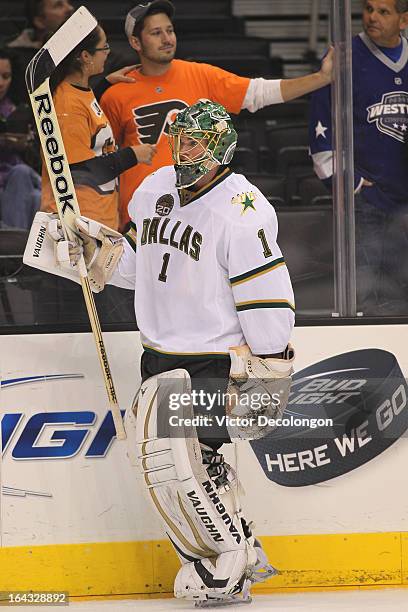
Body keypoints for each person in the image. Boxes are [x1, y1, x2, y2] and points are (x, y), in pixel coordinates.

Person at [25, 100, 295, 604]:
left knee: (181, 464)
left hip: (213, 360)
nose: (184, 149)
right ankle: (243, 549)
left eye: (196, 141)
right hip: (157, 353)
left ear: (219, 149)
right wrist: (96, 252)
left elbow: (266, 292)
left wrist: (272, 361)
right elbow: (139, 266)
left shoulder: (245, 209)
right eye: (182, 138)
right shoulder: (153, 189)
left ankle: (231, 559)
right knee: (185, 465)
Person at [100, 0, 334, 229]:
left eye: (170, 30)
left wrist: (320, 78)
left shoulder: (200, 75)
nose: (167, 39)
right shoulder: (116, 94)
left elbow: (258, 93)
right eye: (156, 33)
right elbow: (105, 160)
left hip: (197, 213)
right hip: (142, 217)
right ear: (135, 42)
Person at [309, 0, 408, 315]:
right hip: (367, 200)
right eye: (368, 9)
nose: (372, 17)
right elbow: (320, 130)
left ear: (403, 20)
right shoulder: (343, 57)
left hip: (405, 204)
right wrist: (351, 186)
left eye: (383, 12)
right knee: (365, 302)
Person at [40, 23, 157, 231]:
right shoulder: (66, 106)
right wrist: (132, 154)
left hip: (97, 220)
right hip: (78, 225)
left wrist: (104, 84)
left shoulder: (82, 91)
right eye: (104, 47)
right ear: (85, 56)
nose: (108, 52)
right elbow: (77, 171)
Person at [0, 47, 41, 229]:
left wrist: (25, 145)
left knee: (22, 174)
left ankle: (14, 245)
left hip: (21, 175)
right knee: (34, 198)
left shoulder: (23, 109)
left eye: (6, 76)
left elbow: (41, 159)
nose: (1, 83)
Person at [7, 0, 75, 104]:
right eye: (58, 5)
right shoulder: (15, 62)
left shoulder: (90, 48)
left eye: (68, 3)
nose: (70, 8)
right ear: (39, 21)